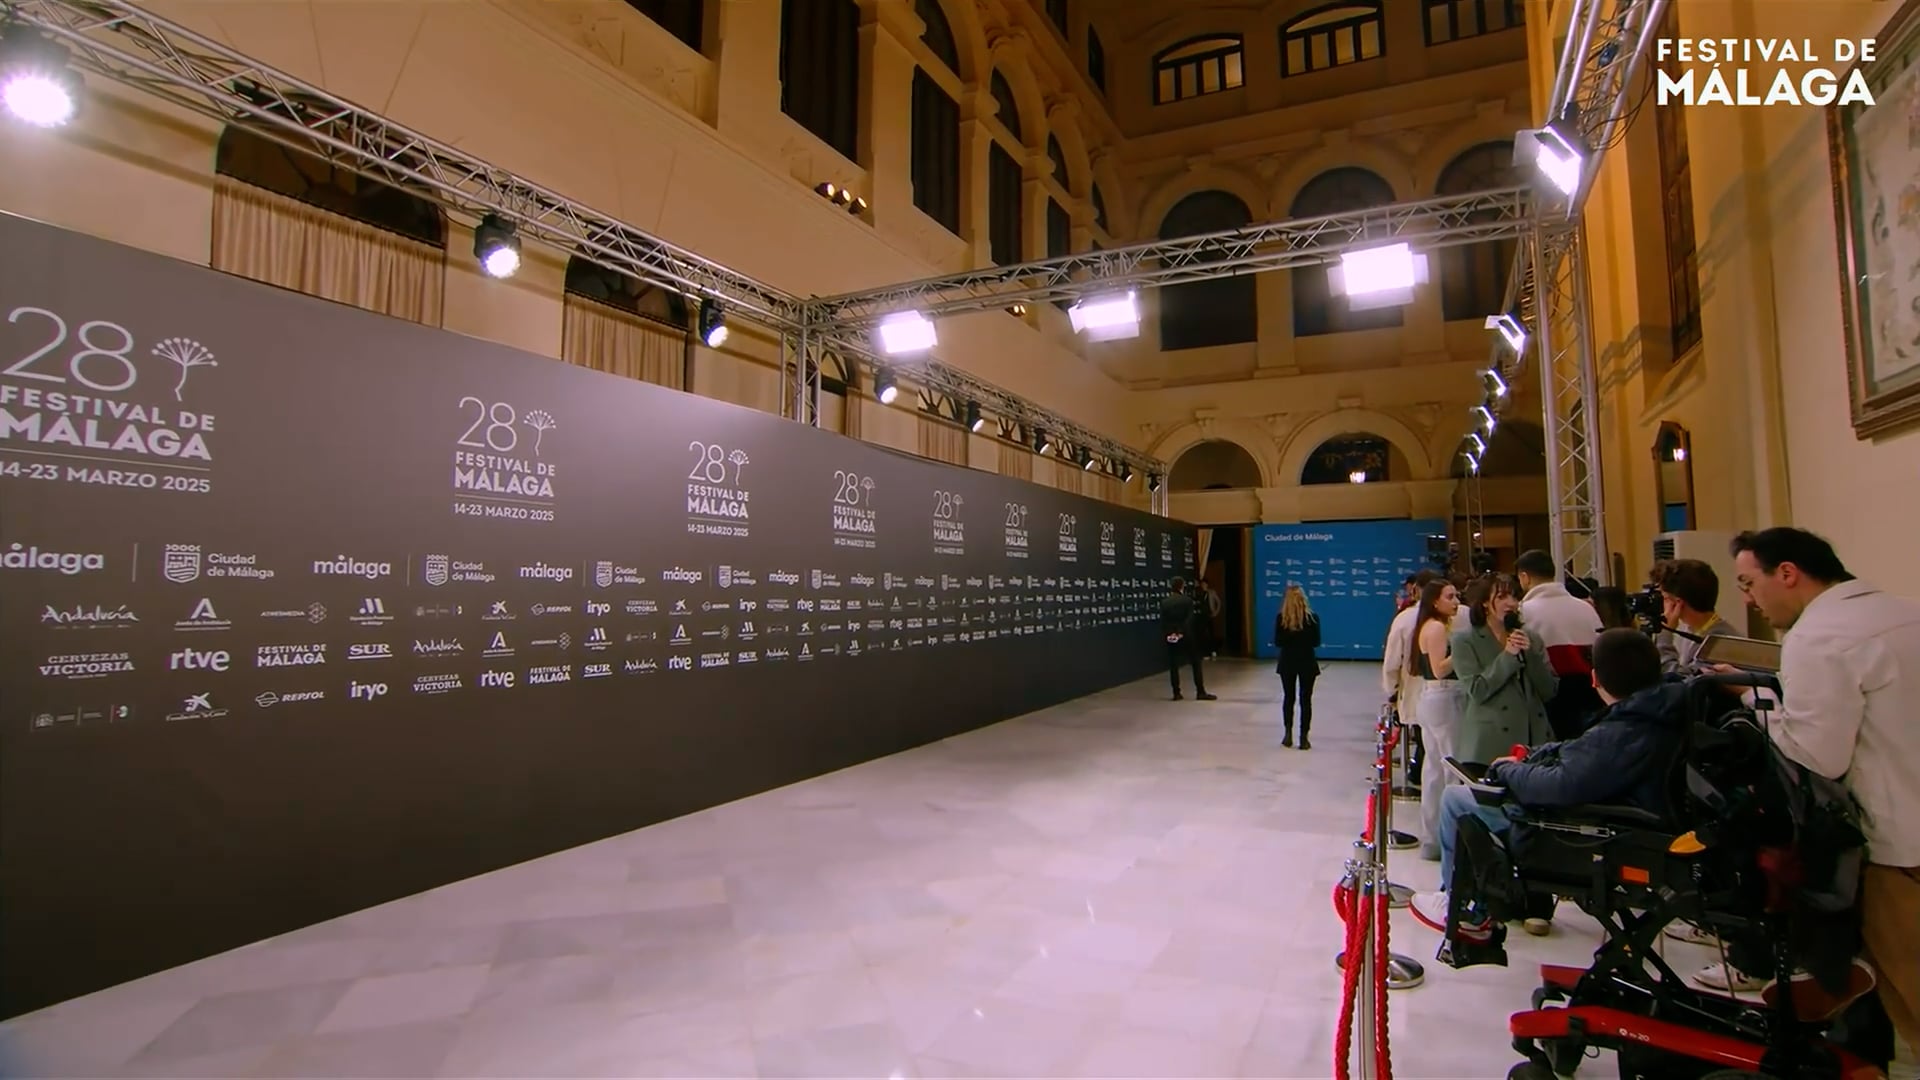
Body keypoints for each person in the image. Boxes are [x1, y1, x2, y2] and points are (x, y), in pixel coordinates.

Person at [1717, 527, 1920, 1072]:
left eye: (1749, 581)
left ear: (1788, 572)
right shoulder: (1906, 610)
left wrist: (1758, 705)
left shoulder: (1818, 637)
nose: (1748, 598)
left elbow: (1818, 755)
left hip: (1898, 847)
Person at [1412, 628, 1682, 934]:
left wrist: (1509, 771)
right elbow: (1577, 753)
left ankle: (1460, 907)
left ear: (1596, 679)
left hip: (1584, 832)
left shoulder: (1621, 732)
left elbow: (1562, 784)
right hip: (1620, 817)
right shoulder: (1657, 712)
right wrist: (1531, 756)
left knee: (1455, 799)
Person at [1451, 573, 1555, 773]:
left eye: (1515, 597)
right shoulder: (1465, 641)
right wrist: (1508, 656)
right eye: (1502, 597)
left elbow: (1548, 690)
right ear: (1484, 603)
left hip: (1534, 741)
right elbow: (1477, 690)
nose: (1511, 603)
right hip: (1488, 744)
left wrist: (1531, 655)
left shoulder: (1531, 638)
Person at [1515, 549, 1603, 740]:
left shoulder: (1523, 611)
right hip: (1592, 694)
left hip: (1549, 699)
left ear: (1524, 577)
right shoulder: (1586, 608)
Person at [1409, 579, 1466, 861]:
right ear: (1435, 601)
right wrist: (1463, 651)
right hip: (1444, 697)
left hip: (1433, 699)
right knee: (1451, 766)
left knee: (1434, 768)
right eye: (1450, 596)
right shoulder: (1435, 628)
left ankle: (1433, 837)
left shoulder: (1430, 626)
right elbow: (1439, 669)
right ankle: (1449, 837)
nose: (1456, 601)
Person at [1383, 569, 1442, 783]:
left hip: (1417, 691)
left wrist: (1392, 691)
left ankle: (1421, 777)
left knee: (1426, 740)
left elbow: (1392, 661)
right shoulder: (1456, 619)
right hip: (1446, 695)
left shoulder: (1406, 619)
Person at [1650, 558, 1732, 675]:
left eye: (1665, 598)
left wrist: (1665, 632)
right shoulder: (1690, 629)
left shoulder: (1720, 643)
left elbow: (1677, 681)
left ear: (1678, 603)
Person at [1273, 584, 1321, 749]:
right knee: (1305, 700)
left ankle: (1288, 734)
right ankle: (1304, 737)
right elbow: (1316, 642)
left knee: (1289, 698)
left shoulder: (1282, 619)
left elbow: (1278, 642)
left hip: (1288, 662)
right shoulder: (1312, 618)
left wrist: (1291, 635)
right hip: (1307, 661)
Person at [1161, 577, 1215, 702]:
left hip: (1171, 637)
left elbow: (1164, 622)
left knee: (1173, 665)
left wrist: (1170, 634)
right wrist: (1181, 633)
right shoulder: (1187, 600)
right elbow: (1189, 620)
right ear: (1182, 586)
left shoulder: (1165, 602)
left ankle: (1176, 693)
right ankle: (1200, 691)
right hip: (1187, 637)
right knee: (1196, 663)